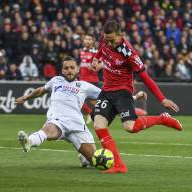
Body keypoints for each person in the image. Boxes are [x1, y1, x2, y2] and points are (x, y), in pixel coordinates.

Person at [16, 56, 147, 167]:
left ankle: (84, 159)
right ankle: (28, 142)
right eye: (66, 68)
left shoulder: (84, 86)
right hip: (58, 120)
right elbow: (40, 90)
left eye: (72, 68)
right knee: (48, 130)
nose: (69, 71)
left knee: (97, 162)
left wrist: (134, 97)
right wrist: (26, 97)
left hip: (77, 125)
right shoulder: (56, 81)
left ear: (77, 69)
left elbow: (111, 97)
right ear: (62, 70)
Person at [91, 20, 183, 174]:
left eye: (113, 40)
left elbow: (146, 78)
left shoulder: (129, 53)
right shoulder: (106, 40)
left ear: (121, 36)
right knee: (99, 125)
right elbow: (102, 48)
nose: (110, 43)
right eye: (107, 40)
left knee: (130, 127)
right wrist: (96, 57)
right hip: (106, 90)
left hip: (122, 91)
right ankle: (119, 165)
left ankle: (162, 119)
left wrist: (162, 99)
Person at [79, 34, 100, 124]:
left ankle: (100, 116)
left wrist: (94, 67)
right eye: (86, 39)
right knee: (77, 98)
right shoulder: (82, 51)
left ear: (93, 41)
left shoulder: (96, 52)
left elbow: (100, 65)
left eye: (89, 39)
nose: (87, 41)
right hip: (82, 80)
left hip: (93, 80)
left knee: (95, 102)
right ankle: (89, 113)